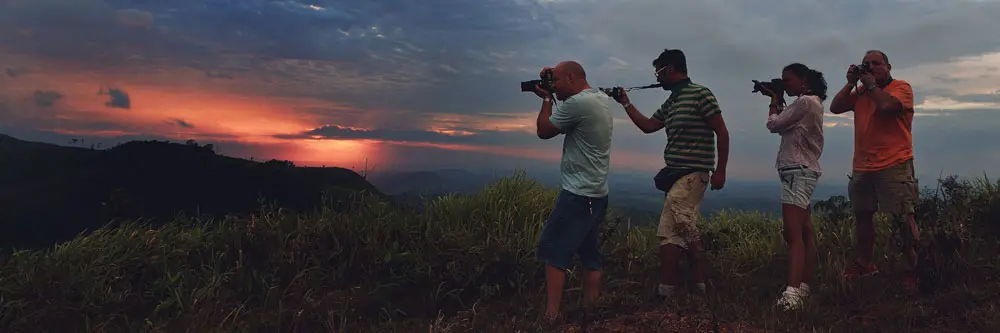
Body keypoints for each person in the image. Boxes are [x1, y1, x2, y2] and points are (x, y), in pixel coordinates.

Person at [611, 48, 730, 307]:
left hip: (693, 174)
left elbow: (722, 131)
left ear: (671, 69)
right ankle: (680, 290)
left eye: (659, 70)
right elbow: (648, 126)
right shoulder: (672, 101)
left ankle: (691, 286)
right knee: (671, 232)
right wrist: (625, 103)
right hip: (676, 175)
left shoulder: (701, 94)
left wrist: (720, 170)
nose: (657, 76)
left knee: (682, 226)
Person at [829, 50, 920, 293]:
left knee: (902, 217)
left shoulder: (901, 87)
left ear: (888, 66)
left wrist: (869, 86)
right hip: (862, 166)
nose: (871, 67)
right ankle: (865, 264)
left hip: (894, 163)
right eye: (866, 64)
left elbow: (887, 106)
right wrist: (851, 83)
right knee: (863, 216)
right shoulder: (860, 92)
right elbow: (835, 107)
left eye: (876, 64)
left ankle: (912, 268)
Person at [532, 60, 614, 323]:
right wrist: (552, 85)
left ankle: (551, 316)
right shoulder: (599, 98)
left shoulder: (579, 104)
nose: (553, 87)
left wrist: (546, 100)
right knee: (590, 253)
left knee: (554, 250)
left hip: (578, 194)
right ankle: (592, 310)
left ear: (570, 77)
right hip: (597, 192)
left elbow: (544, 131)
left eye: (556, 81)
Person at [758, 63, 827, 310]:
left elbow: (774, 125)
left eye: (788, 80)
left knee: (793, 233)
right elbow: (788, 123)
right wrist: (778, 98)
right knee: (805, 231)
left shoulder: (805, 101)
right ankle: (804, 286)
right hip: (804, 170)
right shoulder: (812, 102)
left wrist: (774, 100)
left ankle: (792, 294)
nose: (785, 84)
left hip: (796, 170)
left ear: (803, 80)